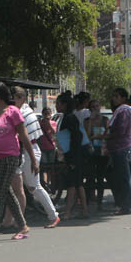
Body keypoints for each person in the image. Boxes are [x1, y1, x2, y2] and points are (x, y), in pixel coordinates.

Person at [0, 82, 35, 243]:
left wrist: (33, 160)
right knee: (6, 192)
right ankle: (23, 226)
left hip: (9, 157)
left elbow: (23, 136)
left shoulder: (13, 112)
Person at [12, 87, 59, 228]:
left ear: (20, 98)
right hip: (27, 151)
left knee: (33, 187)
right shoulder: (23, 112)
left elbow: (27, 139)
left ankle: (53, 215)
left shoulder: (24, 114)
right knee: (26, 187)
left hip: (29, 150)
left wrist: (32, 160)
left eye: (14, 98)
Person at [55, 92, 89, 220]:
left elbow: (75, 138)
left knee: (72, 184)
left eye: (58, 103)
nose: (56, 106)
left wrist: (71, 158)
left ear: (64, 105)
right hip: (75, 155)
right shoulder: (68, 117)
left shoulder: (69, 118)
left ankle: (68, 212)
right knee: (78, 183)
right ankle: (84, 210)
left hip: (73, 156)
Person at [105, 88, 131, 215]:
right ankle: (128, 204)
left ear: (123, 98)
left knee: (124, 178)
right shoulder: (129, 111)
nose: (114, 99)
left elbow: (121, 130)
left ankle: (126, 206)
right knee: (125, 177)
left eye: (117, 96)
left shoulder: (123, 111)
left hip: (120, 147)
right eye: (113, 96)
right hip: (124, 146)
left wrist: (108, 135)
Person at [84, 99, 109, 206]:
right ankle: (90, 198)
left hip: (102, 151)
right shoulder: (87, 120)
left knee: (100, 176)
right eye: (93, 107)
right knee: (90, 176)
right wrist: (90, 120)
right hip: (91, 151)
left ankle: (99, 200)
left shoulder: (105, 119)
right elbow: (87, 135)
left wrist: (98, 136)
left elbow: (108, 134)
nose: (95, 108)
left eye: (97, 106)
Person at [39, 107, 57, 187]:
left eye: (48, 114)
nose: (47, 115)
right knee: (44, 167)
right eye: (45, 114)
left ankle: (51, 183)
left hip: (51, 147)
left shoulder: (53, 123)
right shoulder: (39, 123)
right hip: (42, 148)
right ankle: (45, 184)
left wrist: (49, 124)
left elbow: (54, 133)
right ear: (42, 114)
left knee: (51, 168)